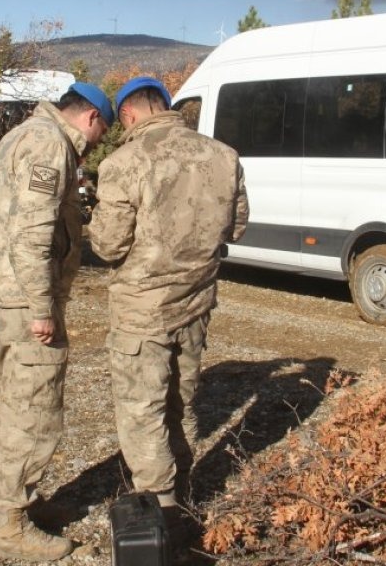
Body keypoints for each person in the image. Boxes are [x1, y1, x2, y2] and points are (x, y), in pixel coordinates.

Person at [88, 76, 249, 515]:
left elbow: (108, 245)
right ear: (165, 103)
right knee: (180, 404)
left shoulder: (125, 162)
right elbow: (236, 227)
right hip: (196, 304)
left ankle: (162, 511)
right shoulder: (224, 155)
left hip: (142, 314)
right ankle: (185, 488)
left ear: (128, 114)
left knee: (144, 413)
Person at [0, 82, 113, 562]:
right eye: (101, 133)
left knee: (22, 400)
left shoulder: (24, 133)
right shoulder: (49, 144)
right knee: (33, 412)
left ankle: (26, 502)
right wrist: (42, 308)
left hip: (10, 293)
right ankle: (12, 525)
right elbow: (33, 233)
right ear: (92, 118)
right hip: (26, 300)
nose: (95, 145)